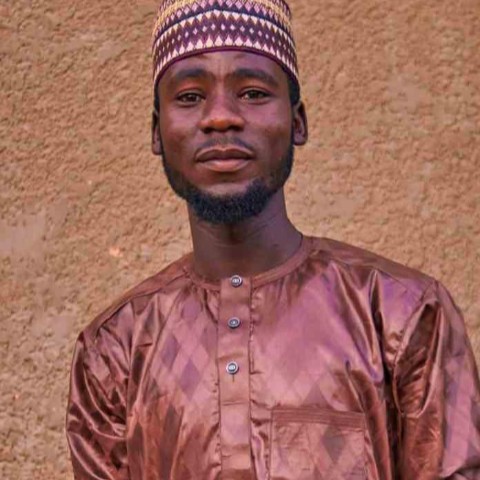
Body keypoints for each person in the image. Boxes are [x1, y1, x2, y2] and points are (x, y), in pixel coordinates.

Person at [65, 0, 480, 478]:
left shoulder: (401, 314)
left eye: (254, 92)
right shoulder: (114, 349)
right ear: (157, 132)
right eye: (190, 96)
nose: (221, 117)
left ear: (298, 121)